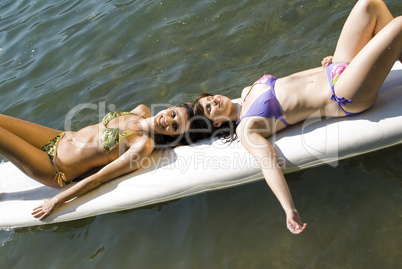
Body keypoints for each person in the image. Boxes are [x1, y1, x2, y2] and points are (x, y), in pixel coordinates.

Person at [193, 0, 401, 234]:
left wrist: (324, 67)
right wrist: (288, 208)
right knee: (399, 25)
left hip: (335, 71)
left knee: (370, 4)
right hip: (341, 93)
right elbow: (267, 164)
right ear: (218, 123)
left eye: (209, 99)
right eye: (209, 109)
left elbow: (294, 80)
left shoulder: (247, 91)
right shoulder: (246, 129)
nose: (212, 101)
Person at [0, 102, 197, 220]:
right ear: (171, 107)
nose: (167, 121)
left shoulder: (142, 145)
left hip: (53, 167)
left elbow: (100, 178)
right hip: (58, 138)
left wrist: (57, 200)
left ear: (174, 135)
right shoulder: (141, 110)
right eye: (173, 115)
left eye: (174, 126)